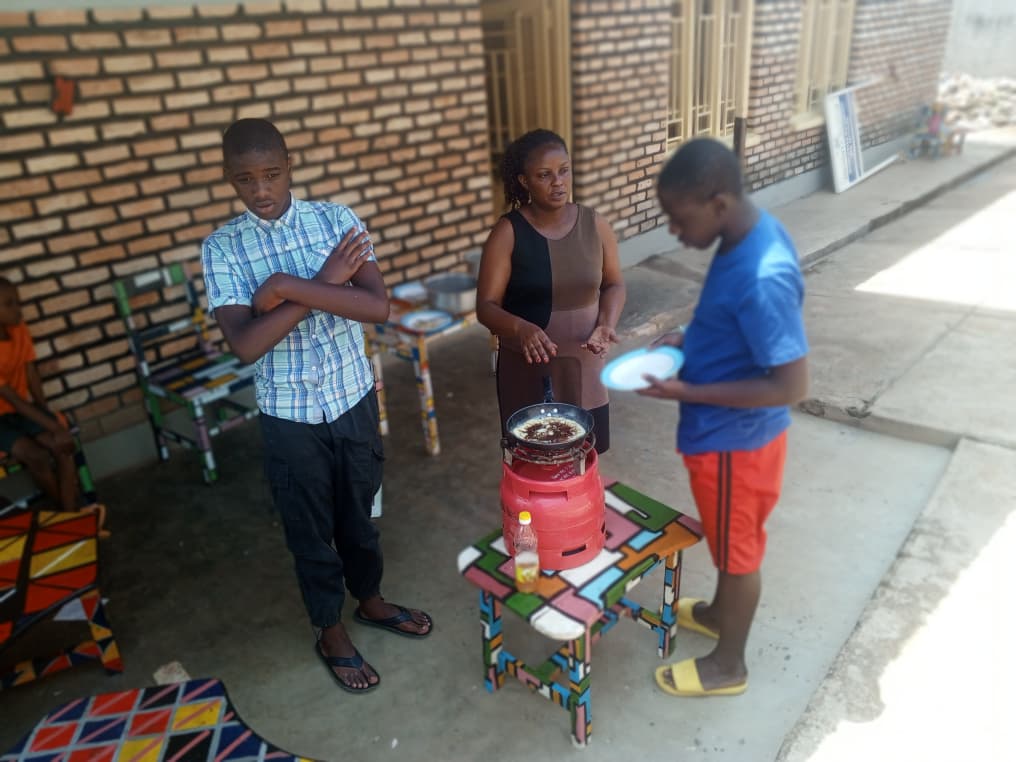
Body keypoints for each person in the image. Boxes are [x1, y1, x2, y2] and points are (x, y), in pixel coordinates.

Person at [201, 118, 432, 695]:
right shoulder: (222, 247)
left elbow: (377, 307)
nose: (261, 189)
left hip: (351, 397)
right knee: (309, 531)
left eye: (272, 174)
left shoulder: (335, 219)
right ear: (229, 180)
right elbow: (247, 343)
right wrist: (327, 282)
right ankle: (329, 630)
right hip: (288, 415)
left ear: (290, 164)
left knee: (359, 516)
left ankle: (371, 601)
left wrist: (283, 289)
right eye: (245, 179)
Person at [638, 138, 809, 697]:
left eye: (677, 218)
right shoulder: (742, 236)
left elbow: (790, 384)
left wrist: (687, 387)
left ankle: (728, 664)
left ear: (716, 204)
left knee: (738, 554)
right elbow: (732, 325)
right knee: (726, 539)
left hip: (738, 444)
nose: (672, 231)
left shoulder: (763, 273)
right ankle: (717, 613)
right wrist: (689, 340)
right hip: (722, 437)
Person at [476, 129, 626, 454]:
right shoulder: (508, 232)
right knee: (536, 461)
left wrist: (607, 323)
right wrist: (520, 327)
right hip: (530, 370)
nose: (558, 182)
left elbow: (613, 283)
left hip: (587, 365)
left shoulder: (594, 224)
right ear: (524, 181)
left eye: (564, 170)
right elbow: (485, 307)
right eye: (544, 175)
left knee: (587, 457)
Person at [0, 277, 80, 514]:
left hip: (21, 409)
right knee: (37, 456)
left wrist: (45, 416)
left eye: (18, 302)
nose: (18, 309)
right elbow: (12, 398)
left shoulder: (19, 329)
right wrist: (54, 427)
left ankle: (70, 514)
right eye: (9, 304)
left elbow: (31, 372)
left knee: (62, 448)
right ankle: (66, 516)